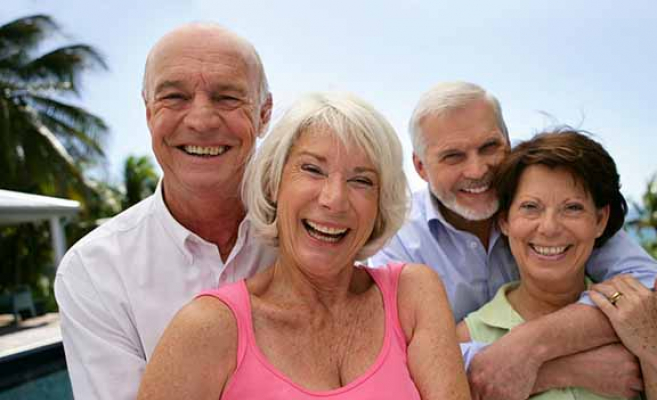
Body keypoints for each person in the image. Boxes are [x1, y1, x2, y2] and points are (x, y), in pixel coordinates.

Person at [136, 92, 470, 400]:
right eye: (312, 169)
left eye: (361, 180)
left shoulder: (413, 295)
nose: (334, 200)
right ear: (274, 183)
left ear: (380, 204)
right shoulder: (208, 327)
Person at [370, 81, 657, 399]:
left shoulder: (547, 201)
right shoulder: (397, 239)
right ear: (421, 166)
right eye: (453, 156)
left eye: (489, 147)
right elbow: (393, 363)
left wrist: (534, 341)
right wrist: (562, 369)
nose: (478, 169)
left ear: (507, 142)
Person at [54, 23, 276, 400]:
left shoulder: (313, 237)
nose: (201, 121)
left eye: (227, 98)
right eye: (174, 97)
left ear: (264, 114)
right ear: (148, 112)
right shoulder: (94, 272)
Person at [458, 129, 657, 399]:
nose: (549, 228)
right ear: (505, 222)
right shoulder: (467, 337)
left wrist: (655, 350)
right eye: (530, 207)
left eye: (572, 208)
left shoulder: (634, 314)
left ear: (600, 220)